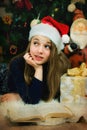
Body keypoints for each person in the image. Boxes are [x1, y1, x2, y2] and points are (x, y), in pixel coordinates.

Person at [0, 16, 71, 104]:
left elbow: (45, 95)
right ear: (30, 44)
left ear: (54, 50)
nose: (39, 51)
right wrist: (23, 95)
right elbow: (32, 100)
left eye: (47, 46)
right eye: (36, 43)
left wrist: (38, 69)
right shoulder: (17, 63)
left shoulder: (61, 64)